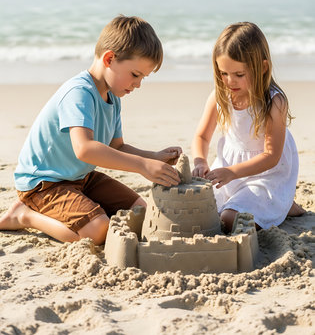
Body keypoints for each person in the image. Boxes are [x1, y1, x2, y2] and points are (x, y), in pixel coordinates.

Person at [0, 15, 181, 245]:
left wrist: (154, 157)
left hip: (80, 177)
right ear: (109, 59)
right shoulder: (79, 93)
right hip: (44, 183)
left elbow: (117, 147)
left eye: (143, 78)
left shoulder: (113, 97)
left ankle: (75, 208)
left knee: (141, 212)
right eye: (135, 75)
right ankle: (23, 215)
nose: (138, 84)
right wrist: (142, 166)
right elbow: (85, 150)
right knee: (98, 230)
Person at [192, 21, 305, 233]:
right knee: (199, 209)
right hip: (228, 169)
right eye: (223, 73)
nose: (229, 81)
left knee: (228, 218)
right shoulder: (220, 96)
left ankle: (282, 201)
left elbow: (271, 156)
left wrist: (232, 173)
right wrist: (200, 160)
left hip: (265, 174)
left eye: (239, 74)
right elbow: (202, 137)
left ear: (262, 67)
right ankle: (278, 204)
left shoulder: (274, 102)